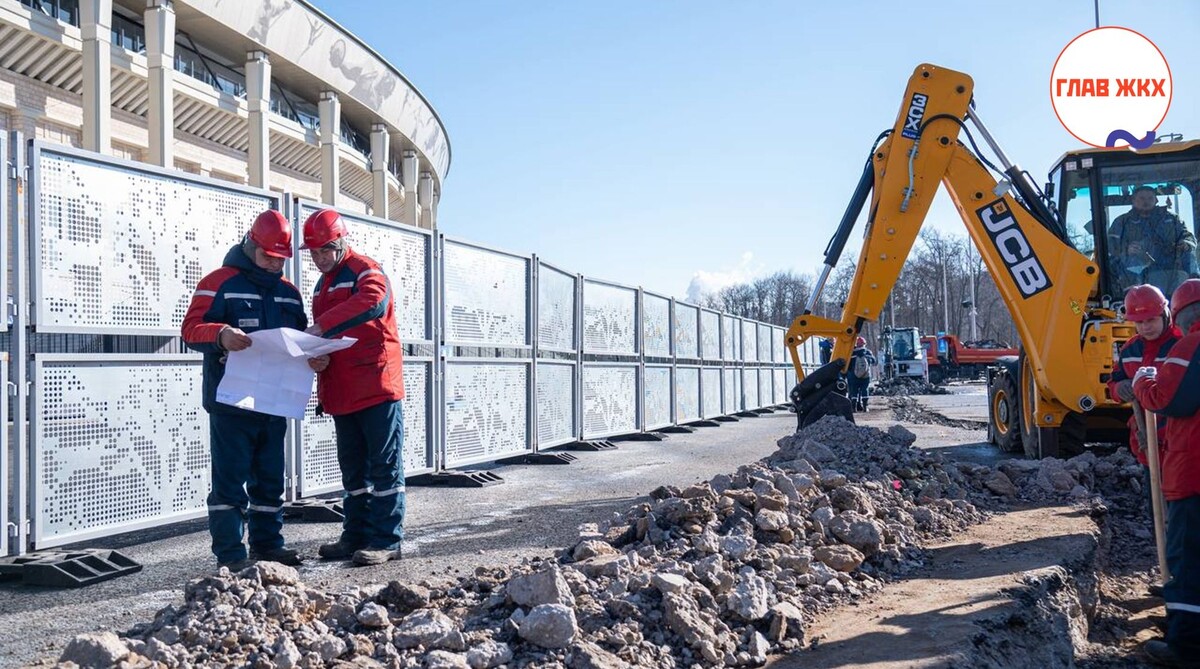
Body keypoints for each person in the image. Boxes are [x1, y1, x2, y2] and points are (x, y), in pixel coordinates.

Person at [181, 210, 308, 570]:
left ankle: (268, 545)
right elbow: (190, 330)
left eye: (279, 259)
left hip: (273, 401)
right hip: (231, 402)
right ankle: (231, 554)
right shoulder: (218, 282)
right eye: (267, 256)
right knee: (230, 480)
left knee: (269, 479)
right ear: (250, 244)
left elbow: (299, 340)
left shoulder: (289, 293)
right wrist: (220, 334)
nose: (272, 264)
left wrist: (314, 359)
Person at [302, 208, 407, 566]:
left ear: (341, 242)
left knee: (384, 467)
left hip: (376, 386)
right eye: (313, 253)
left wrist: (321, 329)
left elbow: (373, 301)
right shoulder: (323, 284)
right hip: (343, 389)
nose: (318, 259)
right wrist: (317, 356)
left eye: (324, 251)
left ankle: (386, 540)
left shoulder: (365, 268)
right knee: (353, 471)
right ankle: (356, 535)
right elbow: (330, 335)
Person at [1132, 278, 1200, 666]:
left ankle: (1187, 646)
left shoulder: (1190, 347)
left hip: (1193, 475)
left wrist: (1143, 381)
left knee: (1188, 562)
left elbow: (1166, 398)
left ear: (1175, 314)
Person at [1106, 285, 1181, 469]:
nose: (1145, 327)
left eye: (1151, 320)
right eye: (1139, 323)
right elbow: (1113, 381)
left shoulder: (1181, 343)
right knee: (1152, 490)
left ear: (1164, 313)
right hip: (1145, 439)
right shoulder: (1130, 349)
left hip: (1178, 440)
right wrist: (1118, 389)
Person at [1109, 186, 1198, 295]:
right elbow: (1110, 248)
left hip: (1171, 270)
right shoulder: (1121, 222)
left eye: (1150, 198)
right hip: (1136, 275)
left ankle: (1194, 289)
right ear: (1133, 200)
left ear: (1156, 200)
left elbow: (1187, 236)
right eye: (1141, 198)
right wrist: (1126, 250)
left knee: (1189, 255)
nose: (1146, 201)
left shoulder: (1172, 219)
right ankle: (1132, 297)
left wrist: (1186, 244)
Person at [847, 336, 876, 412]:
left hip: (854, 375)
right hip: (866, 376)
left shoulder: (851, 353)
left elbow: (848, 364)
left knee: (854, 391)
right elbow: (874, 361)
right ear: (864, 344)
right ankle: (865, 407)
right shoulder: (868, 352)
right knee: (865, 390)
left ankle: (854, 408)